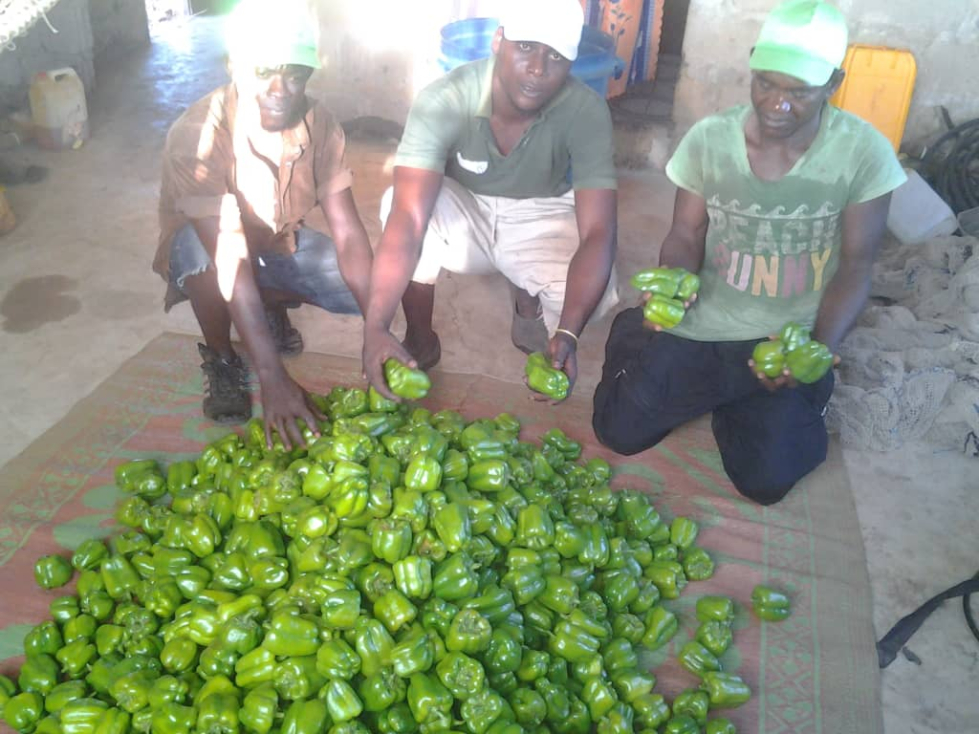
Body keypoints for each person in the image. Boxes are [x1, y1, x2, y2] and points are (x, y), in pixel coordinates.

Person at [592, 0, 906, 504]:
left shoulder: (864, 153)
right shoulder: (711, 140)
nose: (777, 102)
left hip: (790, 336)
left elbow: (857, 264)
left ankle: (739, 400)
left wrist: (816, 350)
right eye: (766, 82)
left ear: (834, 81)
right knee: (619, 433)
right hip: (710, 320)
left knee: (765, 482)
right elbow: (685, 235)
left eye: (799, 91)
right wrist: (670, 291)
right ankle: (633, 332)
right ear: (754, 62)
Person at [361, 0, 619, 402]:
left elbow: (599, 231)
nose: (537, 68)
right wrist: (375, 326)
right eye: (526, 47)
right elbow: (409, 219)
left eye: (555, 55)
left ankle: (526, 299)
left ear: (571, 62)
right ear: (500, 40)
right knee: (401, 204)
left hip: (538, 213)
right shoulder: (445, 99)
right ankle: (420, 336)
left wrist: (568, 333)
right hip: (465, 207)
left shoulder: (586, 110)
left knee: (598, 288)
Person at [153, 0, 372, 447]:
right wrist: (272, 377)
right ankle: (223, 358)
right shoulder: (197, 133)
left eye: (295, 72)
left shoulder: (320, 122)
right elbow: (229, 253)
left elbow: (349, 233)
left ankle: (268, 309)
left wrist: (378, 328)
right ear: (236, 65)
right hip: (211, 248)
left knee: (374, 281)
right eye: (264, 70)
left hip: (276, 242)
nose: (280, 88)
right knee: (207, 264)